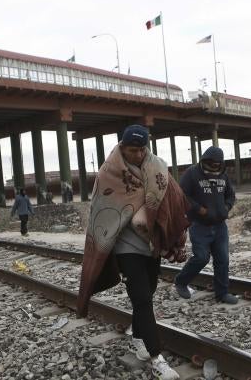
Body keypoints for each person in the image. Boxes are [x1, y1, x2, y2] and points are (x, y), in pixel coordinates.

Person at [77, 125, 190, 380]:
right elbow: (101, 209)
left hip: (151, 246)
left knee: (147, 294)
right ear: (122, 146)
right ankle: (155, 357)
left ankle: (138, 337)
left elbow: (173, 197)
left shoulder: (157, 165)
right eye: (132, 150)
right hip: (126, 246)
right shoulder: (109, 172)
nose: (138, 154)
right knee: (141, 298)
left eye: (141, 149)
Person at [174, 146, 238, 304]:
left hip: (220, 225)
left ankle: (222, 294)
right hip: (199, 224)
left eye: (217, 164)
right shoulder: (192, 173)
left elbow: (230, 195)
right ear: (204, 160)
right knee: (202, 257)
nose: (214, 166)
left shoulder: (223, 175)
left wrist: (226, 207)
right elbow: (182, 195)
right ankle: (181, 282)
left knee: (222, 259)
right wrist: (198, 209)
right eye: (212, 163)